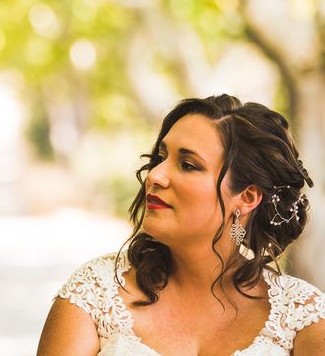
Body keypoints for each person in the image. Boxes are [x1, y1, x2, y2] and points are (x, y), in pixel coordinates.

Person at [37, 95, 325, 355]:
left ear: (247, 198)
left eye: (188, 164)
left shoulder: (302, 316)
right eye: (161, 158)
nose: (155, 176)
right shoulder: (94, 292)